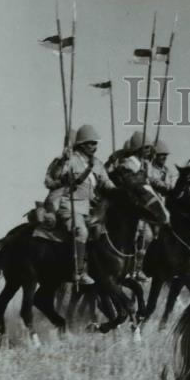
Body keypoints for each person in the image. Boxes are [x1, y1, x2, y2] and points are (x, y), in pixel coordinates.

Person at [43, 123, 115, 286]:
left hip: (90, 207)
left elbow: (105, 181)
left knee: (106, 232)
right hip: (70, 205)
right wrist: (63, 162)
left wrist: (116, 191)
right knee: (81, 232)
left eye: (95, 143)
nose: (94, 146)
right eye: (90, 143)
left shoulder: (96, 163)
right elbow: (51, 179)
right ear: (81, 144)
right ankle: (79, 271)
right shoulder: (70, 160)